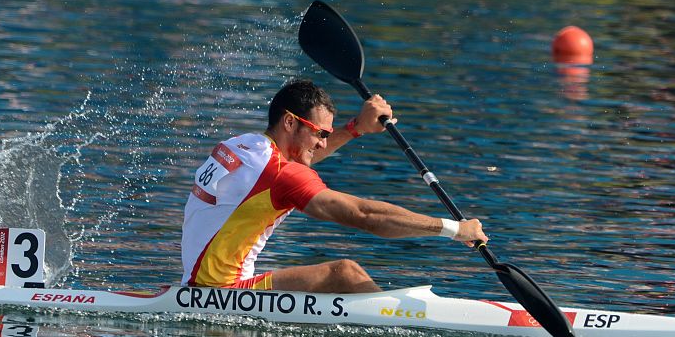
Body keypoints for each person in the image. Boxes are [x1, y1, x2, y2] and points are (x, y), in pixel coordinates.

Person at [181, 79, 488, 293]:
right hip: (221, 294)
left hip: (199, 285)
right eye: (320, 133)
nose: (323, 142)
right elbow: (364, 215)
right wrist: (455, 230)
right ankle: (403, 333)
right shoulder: (281, 173)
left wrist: (357, 128)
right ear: (290, 122)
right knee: (345, 274)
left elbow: (303, 157)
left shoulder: (243, 145)